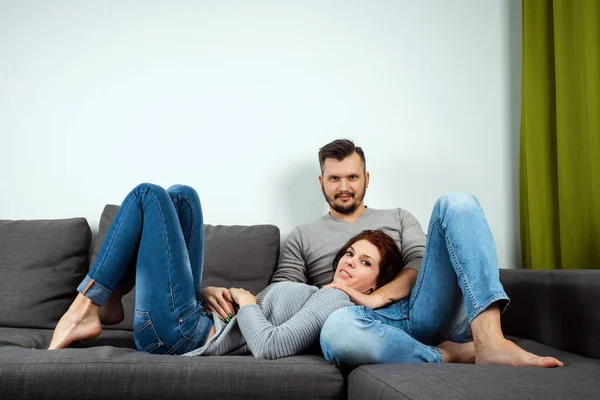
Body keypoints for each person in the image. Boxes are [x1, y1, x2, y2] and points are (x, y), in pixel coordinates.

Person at [205, 139, 563, 369]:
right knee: (337, 329)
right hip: (360, 323)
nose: (344, 186)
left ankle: (491, 341)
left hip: (419, 307)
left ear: (366, 178)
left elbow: (423, 264)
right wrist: (219, 298)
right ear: (321, 182)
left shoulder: (398, 218)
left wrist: (380, 296)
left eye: (352, 177)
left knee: (458, 203)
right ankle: (444, 354)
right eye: (334, 179)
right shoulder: (303, 236)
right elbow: (284, 295)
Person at [48, 182, 407, 359]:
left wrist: (246, 301)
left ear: (377, 285)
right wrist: (210, 293)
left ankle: (86, 305)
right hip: (197, 318)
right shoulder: (314, 290)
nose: (349, 261)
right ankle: (110, 297)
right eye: (350, 253)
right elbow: (246, 315)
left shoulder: (337, 302)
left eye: (365, 262)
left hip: (184, 337)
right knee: (182, 197)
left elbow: (270, 346)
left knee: (147, 195)